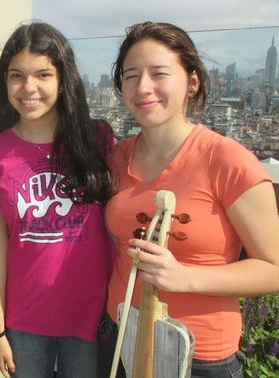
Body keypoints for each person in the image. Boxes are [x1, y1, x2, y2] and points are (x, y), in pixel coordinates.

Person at [100, 21, 279, 378]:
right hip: (120, 334)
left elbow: (273, 269)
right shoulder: (116, 158)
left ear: (192, 82)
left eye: (159, 73)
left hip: (199, 353)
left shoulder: (227, 160)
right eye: (131, 76)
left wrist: (183, 277)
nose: (143, 87)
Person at [0, 22, 115, 378]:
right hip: (24, 321)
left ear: (63, 80)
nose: (28, 88)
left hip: (92, 316)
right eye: (16, 75)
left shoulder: (98, 140)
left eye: (43, 75)